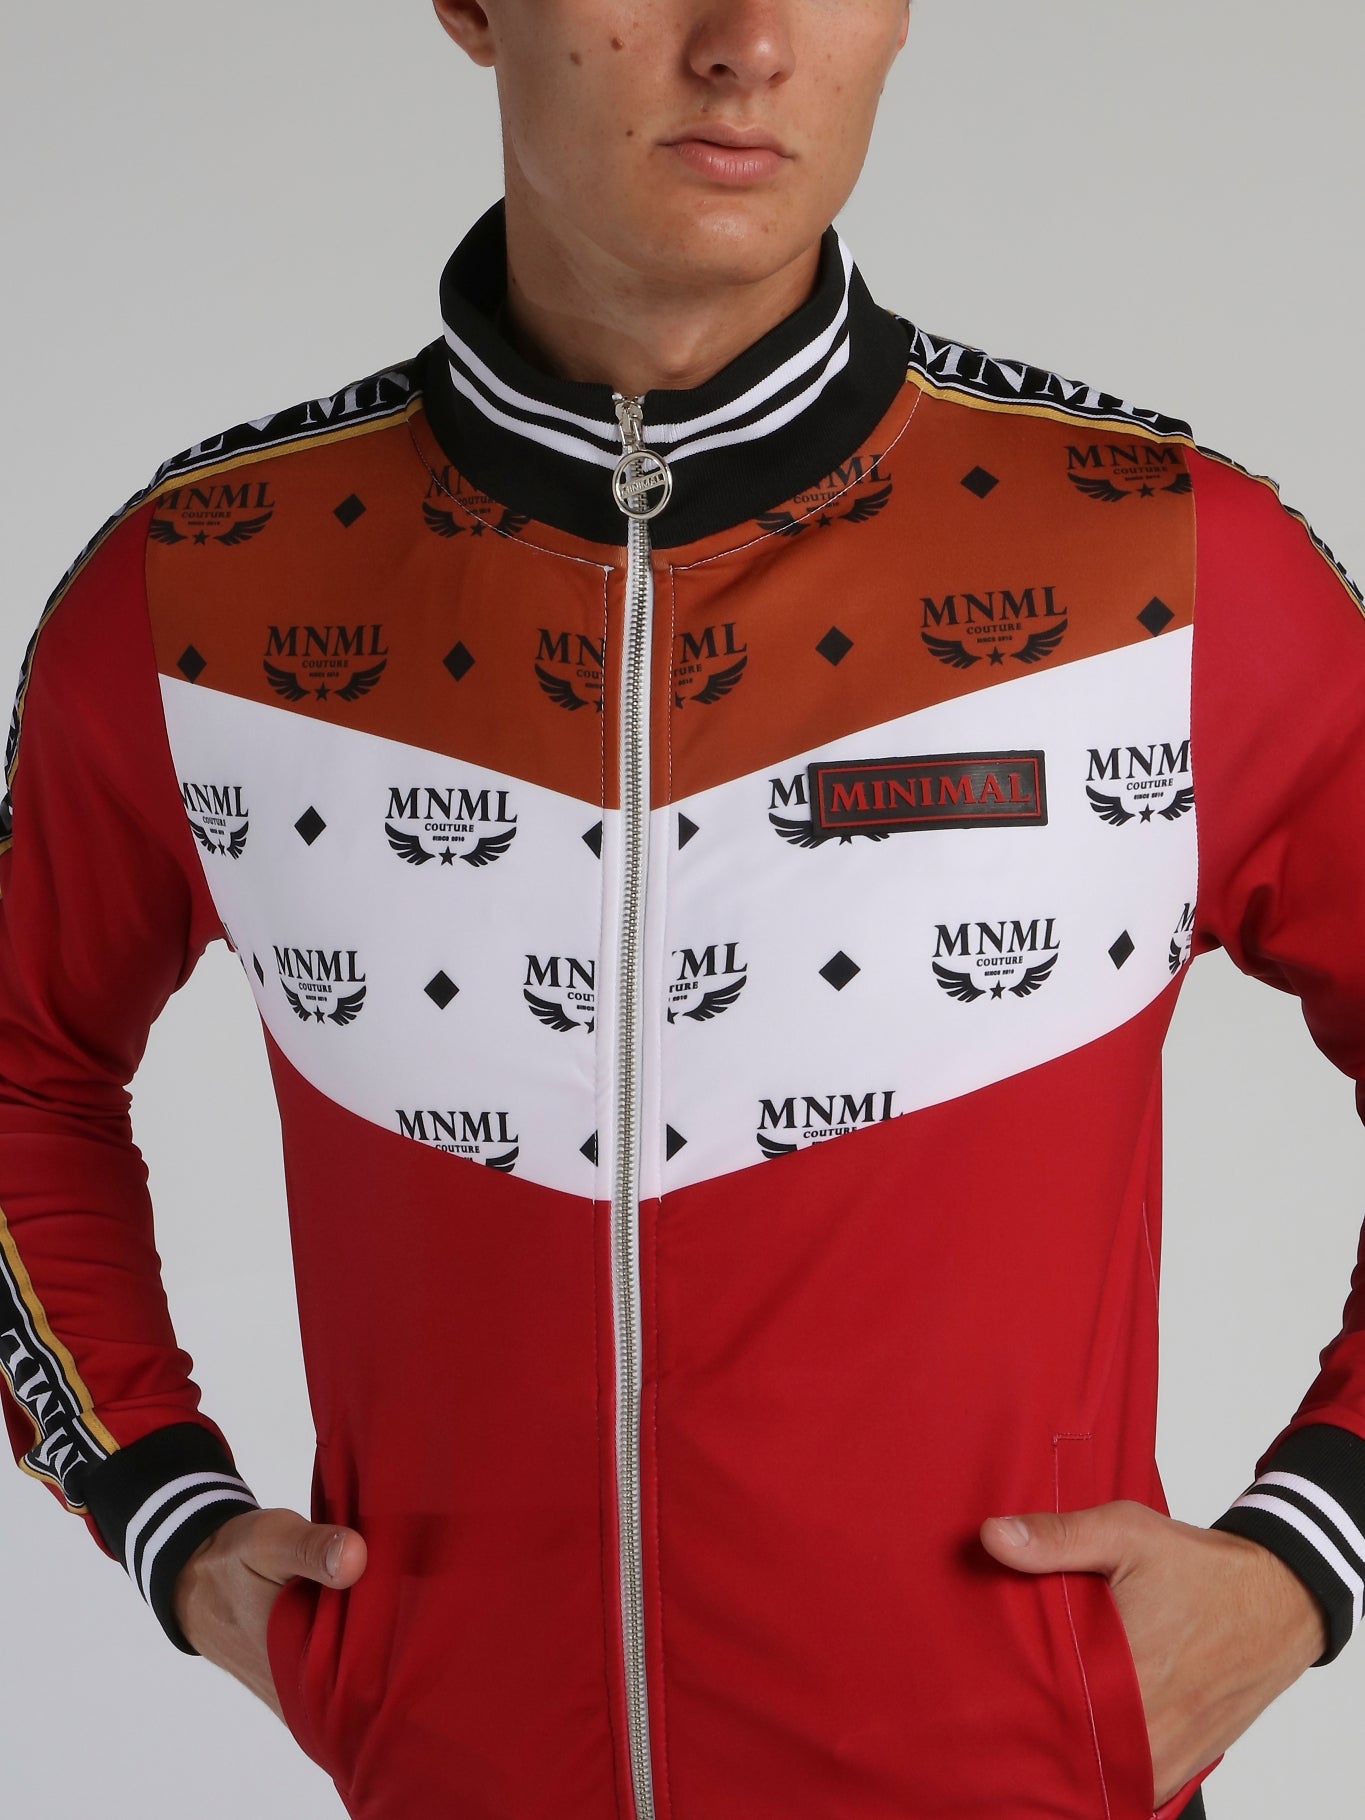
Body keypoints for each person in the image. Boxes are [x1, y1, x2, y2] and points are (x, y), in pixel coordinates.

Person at [1, 2, 1362, 1816]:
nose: (747, 42)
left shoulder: (1165, 565)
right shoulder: (203, 587)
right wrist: (156, 1504)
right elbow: (19, 1070)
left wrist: (1311, 1551)